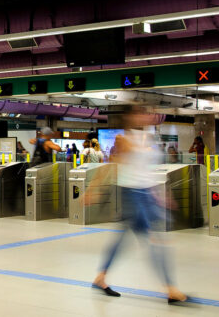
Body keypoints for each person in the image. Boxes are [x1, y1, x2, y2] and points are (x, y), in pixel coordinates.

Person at [91, 106, 187, 304]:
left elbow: (150, 170)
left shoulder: (148, 138)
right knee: (155, 238)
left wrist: (163, 193)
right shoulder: (123, 139)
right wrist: (93, 189)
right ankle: (171, 289)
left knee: (123, 239)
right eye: (141, 113)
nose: (146, 116)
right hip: (131, 194)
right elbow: (109, 165)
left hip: (146, 193)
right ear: (130, 117)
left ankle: (100, 278)